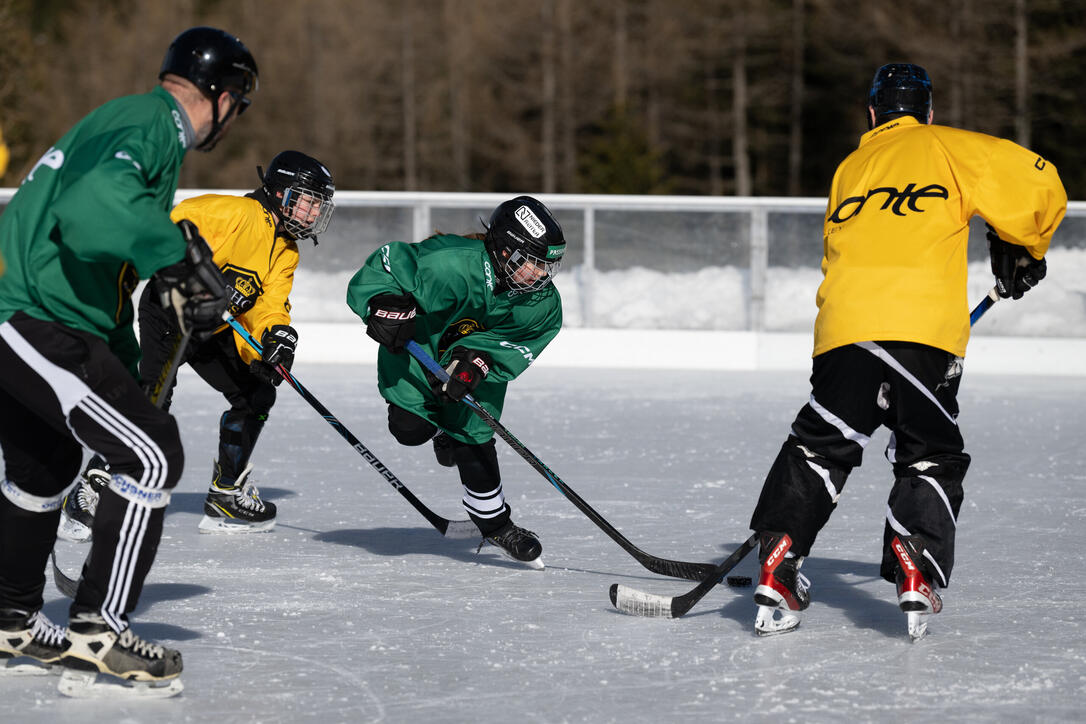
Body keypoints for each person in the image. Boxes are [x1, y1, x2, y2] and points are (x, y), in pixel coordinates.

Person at [746, 63, 1066, 641]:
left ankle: (779, 553)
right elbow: (1040, 184)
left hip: (844, 332)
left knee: (821, 446)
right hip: (923, 334)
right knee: (929, 451)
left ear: (872, 114)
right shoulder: (947, 146)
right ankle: (916, 565)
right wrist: (1021, 244)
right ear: (928, 112)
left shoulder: (849, 168)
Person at [0, 26, 257, 690]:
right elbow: (93, 210)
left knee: (45, 463)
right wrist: (174, 255)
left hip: (41, 312)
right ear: (222, 96)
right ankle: (97, 628)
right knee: (151, 453)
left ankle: (12, 617)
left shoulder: (127, 122)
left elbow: (102, 263)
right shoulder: (155, 123)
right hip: (29, 314)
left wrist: (132, 357)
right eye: (238, 101)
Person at [60, 150, 335, 539]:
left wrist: (273, 338)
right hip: (169, 317)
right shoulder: (232, 214)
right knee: (152, 403)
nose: (312, 212)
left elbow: (269, 305)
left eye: (317, 204)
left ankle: (226, 494)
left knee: (256, 395)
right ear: (279, 193)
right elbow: (170, 227)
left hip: (215, 331)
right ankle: (91, 486)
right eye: (308, 200)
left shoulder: (286, 251)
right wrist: (191, 273)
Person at [346, 196, 566, 568]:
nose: (539, 275)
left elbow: (525, 339)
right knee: (410, 429)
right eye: (530, 262)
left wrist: (478, 363)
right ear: (502, 249)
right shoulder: (449, 262)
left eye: (546, 266)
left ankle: (495, 523)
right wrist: (382, 303)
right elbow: (386, 266)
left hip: (475, 371)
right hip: (419, 353)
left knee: (473, 437)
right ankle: (438, 431)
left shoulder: (540, 302)